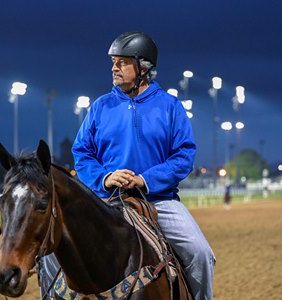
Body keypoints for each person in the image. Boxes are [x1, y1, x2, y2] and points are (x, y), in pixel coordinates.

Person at [71, 31, 215, 300]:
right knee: (59, 248)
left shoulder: (171, 107)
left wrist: (144, 179)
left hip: (158, 202)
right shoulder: (100, 106)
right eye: (113, 62)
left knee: (201, 253)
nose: (114, 67)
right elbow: (81, 153)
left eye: (122, 62)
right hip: (107, 202)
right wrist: (105, 177)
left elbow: (184, 156)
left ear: (143, 68)